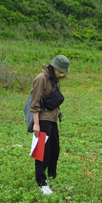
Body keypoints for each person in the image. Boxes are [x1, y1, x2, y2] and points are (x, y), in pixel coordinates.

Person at [31, 55, 70, 195]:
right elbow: (34, 103)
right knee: (42, 151)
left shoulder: (55, 79)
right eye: (61, 70)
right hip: (42, 119)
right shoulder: (41, 78)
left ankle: (51, 175)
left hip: (53, 119)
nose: (63, 73)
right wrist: (36, 124)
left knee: (55, 149)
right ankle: (41, 182)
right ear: (54, 67)